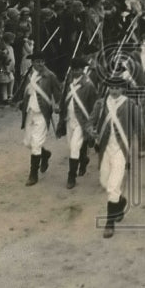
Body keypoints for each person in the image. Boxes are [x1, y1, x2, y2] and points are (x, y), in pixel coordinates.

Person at [89, 67, 145, 238]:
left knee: (113, 186)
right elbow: (90, 121)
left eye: (117, 87)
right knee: (105, 182)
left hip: (121, 149)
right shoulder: (100, 103)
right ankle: (120, 202)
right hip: (105, 148)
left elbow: (139, 127)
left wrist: (142, 146)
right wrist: (91, 130)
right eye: (111, 88)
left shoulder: (130, 105)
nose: (114, 90)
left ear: (123, 88)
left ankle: (109, 223)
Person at [17, 51, 60, 186]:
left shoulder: (50, 76)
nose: (40, 64)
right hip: (29, 112)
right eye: (37, 61)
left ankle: (33, 175)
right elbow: (25, 91)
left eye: (42, 61)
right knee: (28, 143)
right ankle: (45, 154)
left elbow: (58, 91)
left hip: (42, 112)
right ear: (33, 63)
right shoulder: (28, 75)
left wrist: (58, 104)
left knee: (35, 144)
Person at [55, 56, 98, 189]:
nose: (76, 71)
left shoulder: (89, 85)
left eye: (78, 69)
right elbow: (64, 98)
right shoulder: (68, 81)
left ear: (83, 69)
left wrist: (92, 123)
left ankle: (71, 177)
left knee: (74, 147)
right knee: (71, 145)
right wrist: (59, 108)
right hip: (69, 119)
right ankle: (83, 159)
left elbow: (94, 105)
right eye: (74, 69)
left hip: (82, 120)